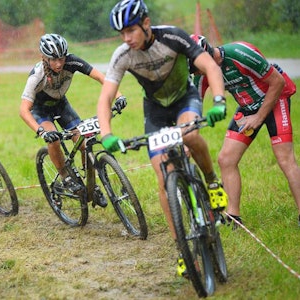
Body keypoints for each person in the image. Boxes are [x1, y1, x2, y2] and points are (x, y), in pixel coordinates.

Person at [97, 0, 228, 276]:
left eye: (131, 30)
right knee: (162, 176)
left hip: (184, 99)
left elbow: (211, 67)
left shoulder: (172, 36)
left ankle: (212, 182)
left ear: (146, 23)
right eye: (121, 33)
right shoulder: (123, 55)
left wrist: (218, 100)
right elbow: (106, 96)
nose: (126, 38)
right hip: (155, 111)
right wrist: (106, 134)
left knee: (189, 135)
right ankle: (182, 248)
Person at [190, 34, 300, 228]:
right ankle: (233, 216)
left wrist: (258, 118)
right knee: (226, 159)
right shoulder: (203, 73)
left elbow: (278, 82)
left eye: (194, 67)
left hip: (275, 99)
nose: (195, 73)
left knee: (285, 159)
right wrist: (188, 139)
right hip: (248, 107)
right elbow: (193, 110)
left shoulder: (240, 54)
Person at [20, 33, 125, 208]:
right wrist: (41, 132)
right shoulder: (37, 75)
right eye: (53, 60)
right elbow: (23, 110)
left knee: (84, 140)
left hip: (62, 105)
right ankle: (65, 177)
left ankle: (92, 184)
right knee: (54, 139)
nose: (59, 64)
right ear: (43, 57)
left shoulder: (72, 62)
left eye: (61, 58)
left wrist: (119, 96)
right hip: (41, 111)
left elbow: (101, 77)